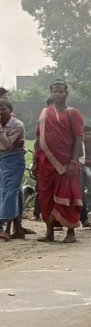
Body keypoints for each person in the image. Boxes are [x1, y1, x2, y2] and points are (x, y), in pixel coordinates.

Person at [35, 79, 85, 243]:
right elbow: (38, 138)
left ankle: (70, 232)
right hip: (46, 163)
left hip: (66, 164)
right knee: (46, 197)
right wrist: (36, 161)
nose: (57, 94)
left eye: (60, 91)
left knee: (68, 196)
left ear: (66, 93)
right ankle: (49, 232)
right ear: (51, 93)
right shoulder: (44, 113)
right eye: (54, 91)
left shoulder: (73, 113)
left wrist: (74, 161)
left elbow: (78, 138)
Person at [0, 99, 27, 241]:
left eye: (3, 109)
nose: (1, 112)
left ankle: (6, 228)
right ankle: (19, 228)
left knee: (10, 192)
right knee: (7, 192)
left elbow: (7, 144)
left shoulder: (17, 125)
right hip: (2, 160)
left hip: (14, 160)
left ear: (10, 111)